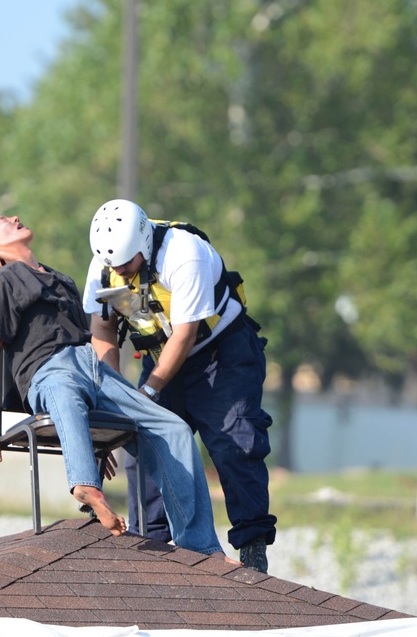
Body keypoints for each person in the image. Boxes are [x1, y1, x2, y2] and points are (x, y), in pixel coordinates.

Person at [0, 213, 234, 561]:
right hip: (48, 371)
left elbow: (97, 338)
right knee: (65, 395)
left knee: (174, 429)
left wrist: (101, 436)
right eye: (3, 220)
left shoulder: (61, 280)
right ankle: (85, 485)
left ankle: (201, 548)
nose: (15, 217)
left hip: (94, 369)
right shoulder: (1, 283)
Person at [82, 199, 276, 572]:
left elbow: (185, 335)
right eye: (113, 264)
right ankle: (149, 544)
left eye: (126, 263)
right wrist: (115, 395)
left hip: (220, 353)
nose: (119, 270)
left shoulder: (183, 253)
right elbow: (103, 330)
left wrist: (148, 394)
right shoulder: (103, 265)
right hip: (161, 357)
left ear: (143, 244)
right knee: (143, 441)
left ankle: (252, 544)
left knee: (234, 440)